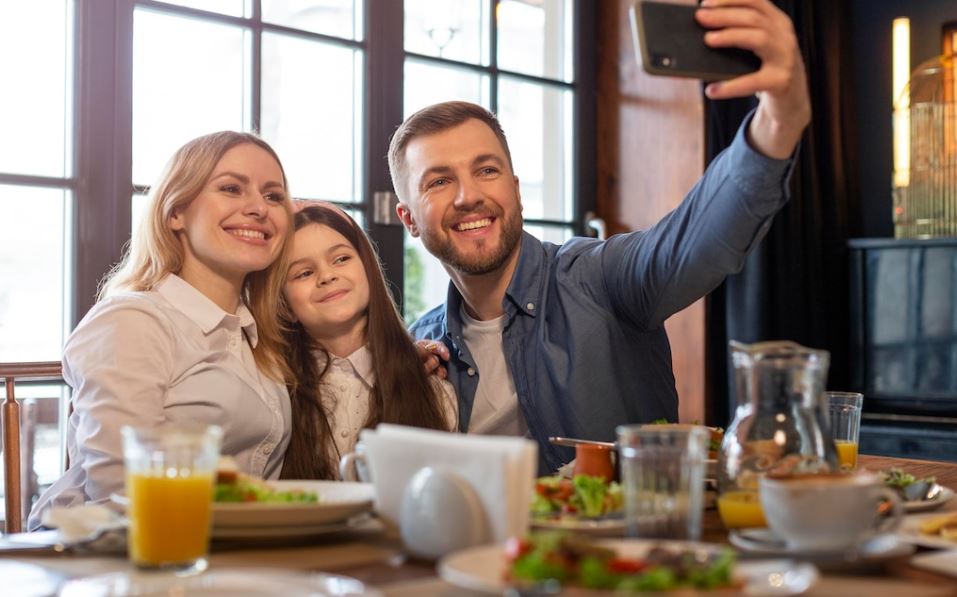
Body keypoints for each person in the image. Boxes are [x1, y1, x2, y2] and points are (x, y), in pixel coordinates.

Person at [388, 0, 811, 472]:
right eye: (439, 181)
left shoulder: (600, 277)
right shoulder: (419, 349)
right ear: (409, 219)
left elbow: (696, 239)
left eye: (486, 170)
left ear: (515, 191)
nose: (468, 196)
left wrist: (779, 120)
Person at [29, 131, 295, 529]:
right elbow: (121, 487)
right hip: (105, 558)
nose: (258, 207)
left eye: (274, 196)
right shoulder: (133, 320)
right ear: (175, 213)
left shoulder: (257, 335)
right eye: (231, 188)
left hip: (224, 552)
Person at [279, 204, 457, 480]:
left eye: (340, 259)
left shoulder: (433, 392)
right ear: (284, 304)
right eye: (303, 273)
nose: (327, 276)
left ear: (368, 270)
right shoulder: (272, 395)